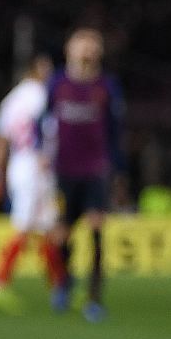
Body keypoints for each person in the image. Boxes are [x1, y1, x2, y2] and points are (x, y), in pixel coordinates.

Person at [0, 54, 69, 312]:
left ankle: (61, 288)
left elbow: (0, 139)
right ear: (35, 69)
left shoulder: (11, 99)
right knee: (26, 225)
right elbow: (51, 133)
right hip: (37, 165)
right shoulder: (42, 95)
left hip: (19, 164)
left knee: (47, 226)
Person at [47, 28, 123, 321]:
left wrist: (117, 169)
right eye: (82, 44)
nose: (87, 50)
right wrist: (43, 155)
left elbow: (116, 130)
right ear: (69, 49)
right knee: (62, 234)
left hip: (95, 169)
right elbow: (45, 121)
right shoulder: (58, 84)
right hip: (64, 170)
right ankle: (65, 282)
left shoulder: (107, 86)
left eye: (93, 45)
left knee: (95, 227)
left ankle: (94, 298)